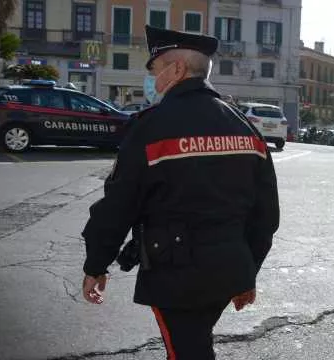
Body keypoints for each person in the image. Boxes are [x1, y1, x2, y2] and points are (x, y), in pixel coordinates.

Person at [80, 25, 280, 360]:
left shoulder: (151, 126)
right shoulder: (244, 127)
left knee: (187, 353)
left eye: (156, 70)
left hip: (175, 275)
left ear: (177, 69)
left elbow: (118, 205)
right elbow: (266, 214)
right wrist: (247, 273)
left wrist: (96, 264)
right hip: (229, 269)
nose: (154, 80)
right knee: (195, 345)